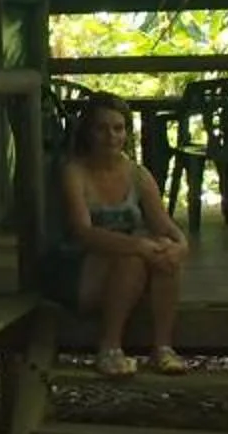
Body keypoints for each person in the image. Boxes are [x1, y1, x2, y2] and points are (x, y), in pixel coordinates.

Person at [54, 93, 190, 376]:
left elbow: (163, 223)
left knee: (164, 252)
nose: (111, 136)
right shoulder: (74, 172)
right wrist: (137, 245)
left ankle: (163, 348)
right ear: (88, 132)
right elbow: (83, 232)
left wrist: (180, 244)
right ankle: (110, 347)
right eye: (101, 128)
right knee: (134, 257)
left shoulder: (138, 174)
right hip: (84, 269)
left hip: (131, 273)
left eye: (118, 128)